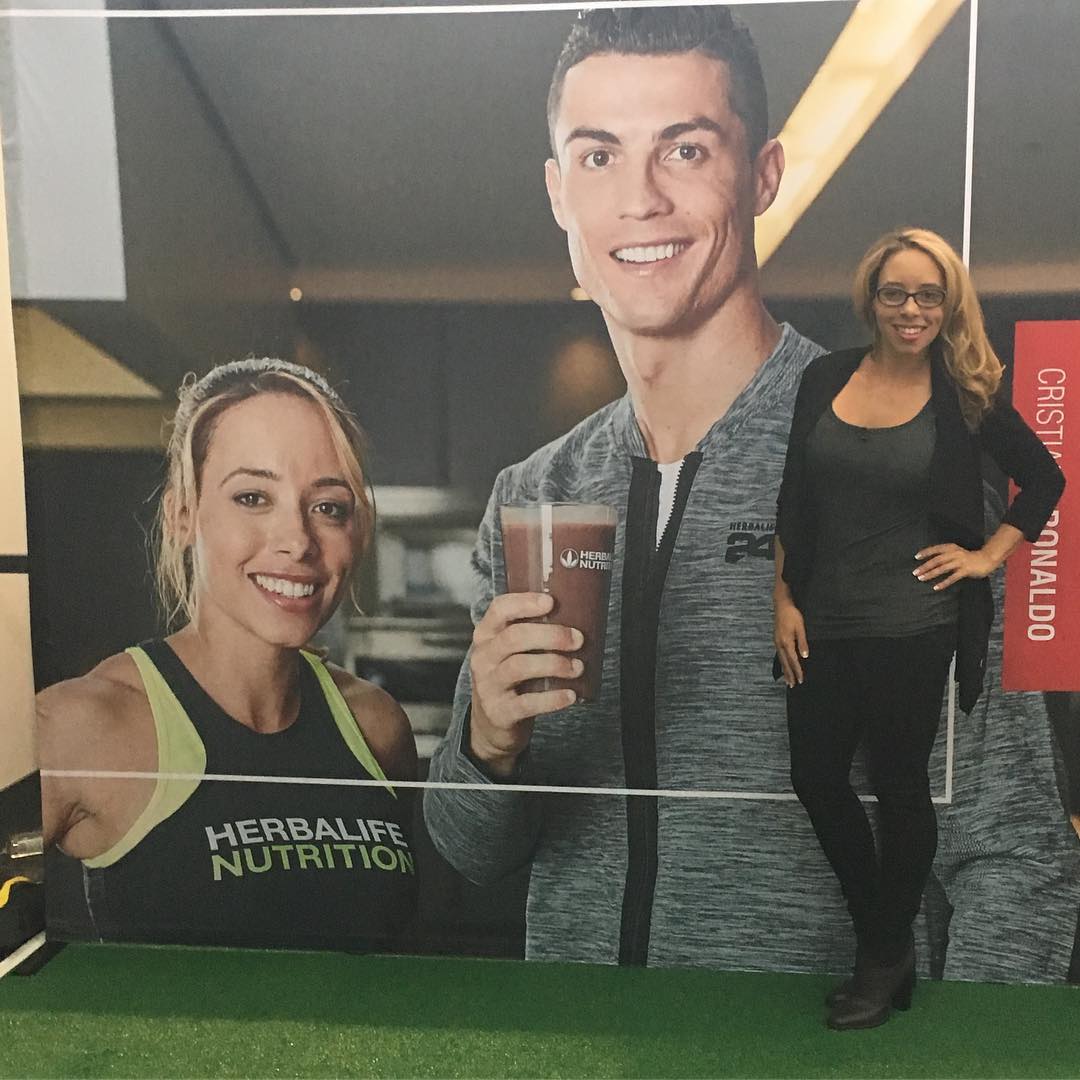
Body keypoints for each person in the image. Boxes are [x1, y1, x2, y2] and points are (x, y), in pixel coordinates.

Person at [425, 5, 837, 971]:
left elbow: (1013, 846)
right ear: (558, 192)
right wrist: (487, 743)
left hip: (814, 1042)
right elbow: (472, 853)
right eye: (599, 156)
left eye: (685, 150)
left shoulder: (881, 458)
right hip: (580, 1038)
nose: (640, 199)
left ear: (763, 175)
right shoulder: (536, 493)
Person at [773, 227, 1065, 1028]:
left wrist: (986, 556)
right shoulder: (824, 378)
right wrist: (782, 601)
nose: (912, 310)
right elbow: (794, 497)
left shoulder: (966, 395)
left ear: (949, 305)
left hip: (915, 626)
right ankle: (888, 940)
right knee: (815, 777)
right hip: (822, 621)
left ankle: (877, 960)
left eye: (929, 296)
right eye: (896, 293)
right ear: (871, 299)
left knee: (899, 785)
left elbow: (1045, 478)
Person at [37, 358, 418, 951]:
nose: (297, 541)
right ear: (182, 516)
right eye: (252, 497)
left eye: (328, 507)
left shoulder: (375, 726)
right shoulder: (79, 726)